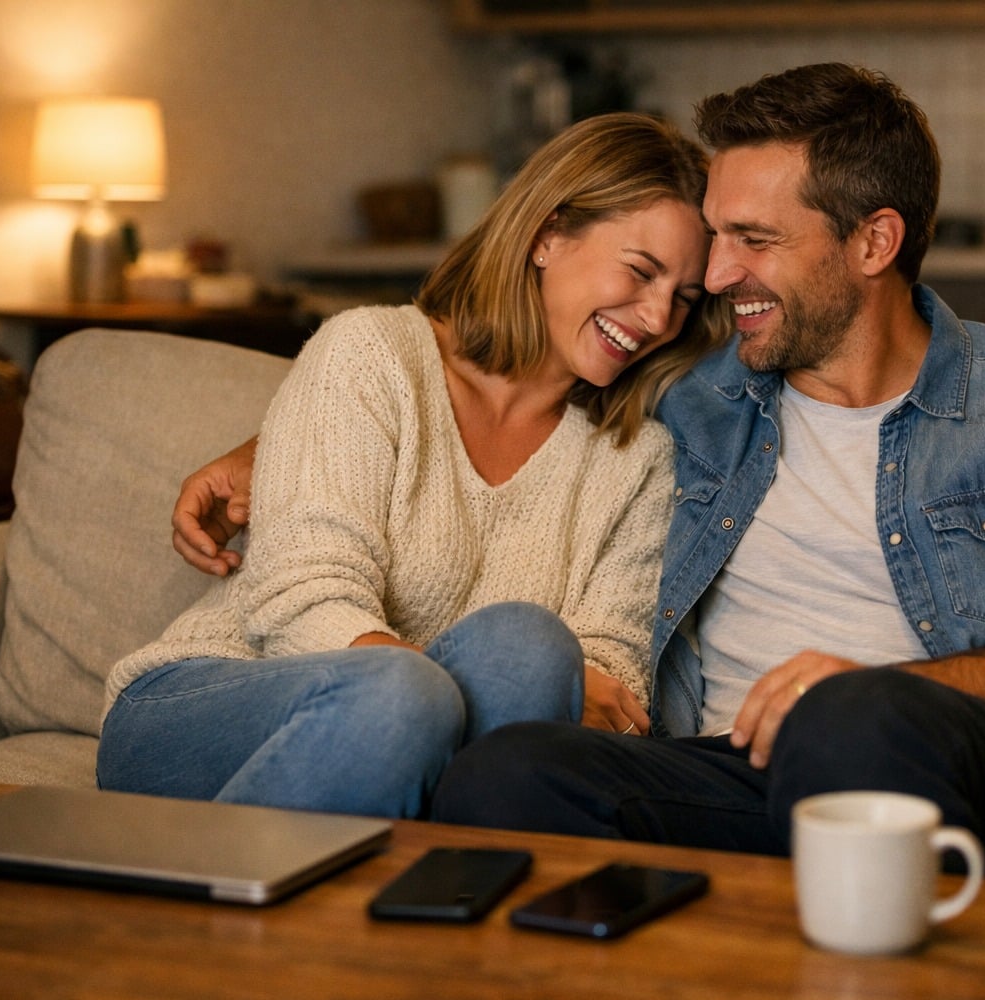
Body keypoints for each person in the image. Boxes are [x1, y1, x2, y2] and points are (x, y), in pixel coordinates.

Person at [172, 65, 985, 884]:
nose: (711, 281)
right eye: (713, 239)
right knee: (509, 772)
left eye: (751, 241)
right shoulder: (690, 397)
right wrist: (275, 447)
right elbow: (494, 383)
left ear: (874, 241)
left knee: (848, 723)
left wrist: (886, 691)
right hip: (734, 771)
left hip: (978, 766)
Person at [97, 112, 733, 819]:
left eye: (684, 298)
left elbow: (608, 682)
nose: (656, 318)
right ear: (549, 234)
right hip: (215, 700)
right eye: (641, 271)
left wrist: (518, 681)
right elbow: (303, 598)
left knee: (527, 647)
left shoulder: (636, 458)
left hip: (421, 735)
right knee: (407, 690)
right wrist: (446, 683)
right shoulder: (373, 354)